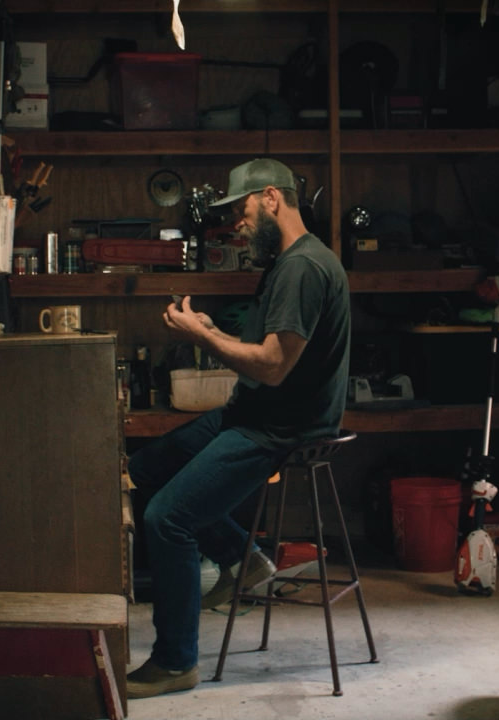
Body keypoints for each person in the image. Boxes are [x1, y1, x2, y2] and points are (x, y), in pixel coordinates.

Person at [126, 157, 351, 699]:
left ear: (272, 198)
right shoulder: (289, 262)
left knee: (166, 520)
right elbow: (266, 356)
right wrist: (207, 327)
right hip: (254, 411)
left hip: (281, 427)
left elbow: (273, 366)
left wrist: (202, 339)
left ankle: (176, 661)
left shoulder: (301, 268)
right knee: (145, 470)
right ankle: (242, 557)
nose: (237, 223)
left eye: (243, 210)